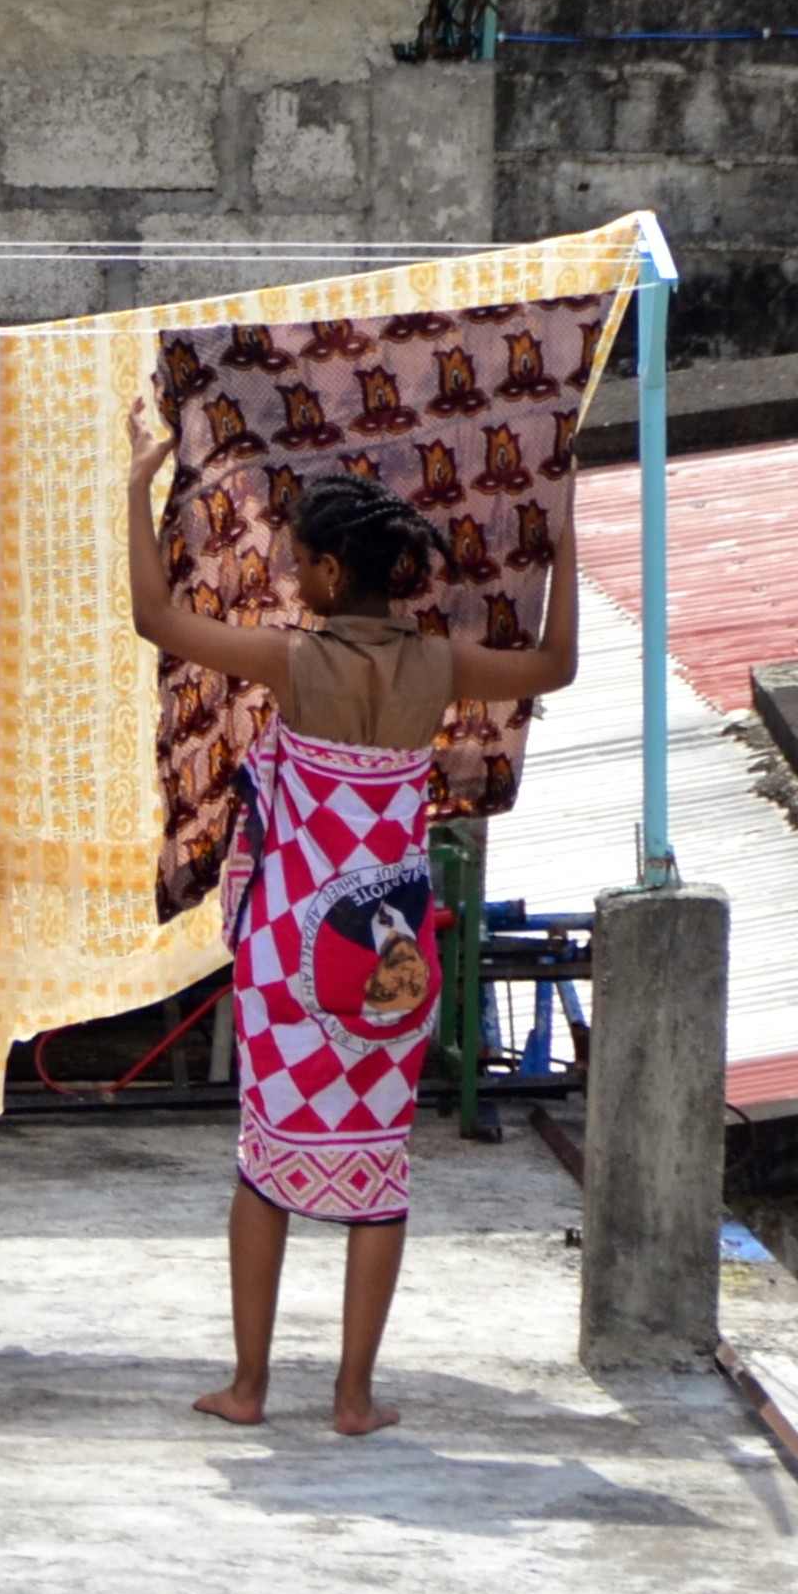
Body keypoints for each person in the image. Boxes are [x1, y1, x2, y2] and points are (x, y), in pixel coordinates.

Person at [125, 427, 578, 1436]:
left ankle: (248, 1388)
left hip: (291, 955)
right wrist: (564, 529)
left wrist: (135, 487)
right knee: (378, 1170)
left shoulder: (296, 662)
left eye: (297, 564)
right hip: (393, 953)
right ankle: (352, 1397)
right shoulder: (435, 666)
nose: (290, 580)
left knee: (265, 1166)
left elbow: (152, 616)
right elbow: (554, 665)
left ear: (332, 572)